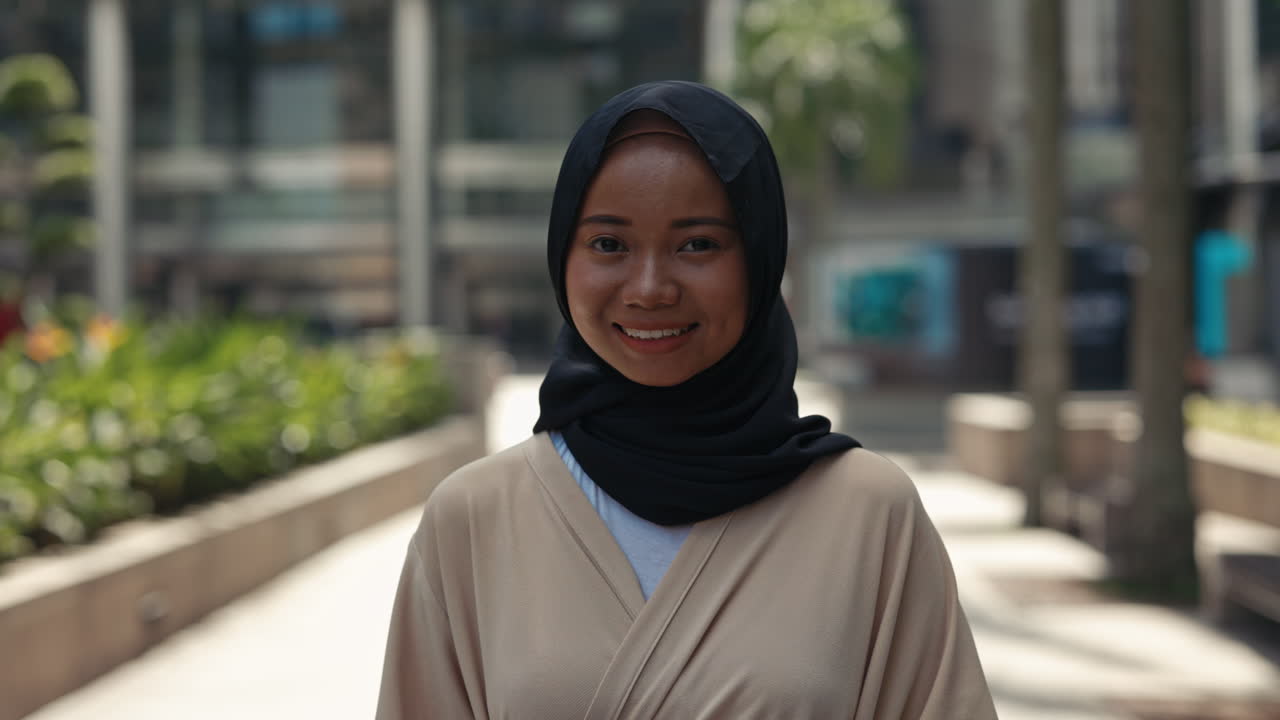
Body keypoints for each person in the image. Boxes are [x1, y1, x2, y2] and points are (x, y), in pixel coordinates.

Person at [375, 81, 997, 719]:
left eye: (698, 243)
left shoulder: (870, 514)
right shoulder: (472, 520)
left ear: (758, 259)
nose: (650, 289)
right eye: (609, 244)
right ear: (563, 257)